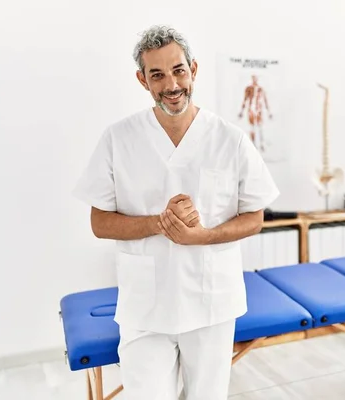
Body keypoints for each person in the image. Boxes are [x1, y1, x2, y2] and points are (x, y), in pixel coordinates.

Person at [72, 25, 279, 400]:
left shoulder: (229, 139)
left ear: (194, 69)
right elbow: (99, 223)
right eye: (157, 74)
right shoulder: (118, 139)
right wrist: (158, 223)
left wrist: (205, 236)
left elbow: (255, 216)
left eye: (179, 70)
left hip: (211, 303)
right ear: (142, 80)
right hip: (145, 306)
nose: (171, 84)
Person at [238, 75, 272, 152]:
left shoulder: (260, 89)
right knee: (252, 127)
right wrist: (241, 111)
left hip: (258, 109)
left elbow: (265, 100)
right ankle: (253, 145)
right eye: (253, 78)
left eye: (255, 78)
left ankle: (262, 144)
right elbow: (245, 100)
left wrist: (269, 112)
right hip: (251, 110)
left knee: (260, 127)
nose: (254, 80)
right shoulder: (248, 89)